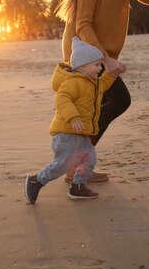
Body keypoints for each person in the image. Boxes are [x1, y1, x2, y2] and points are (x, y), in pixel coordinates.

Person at [57, 0, 149, 183]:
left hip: (101, 55)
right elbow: (83, 25)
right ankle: (75, 164)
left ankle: (76, 163)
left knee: (98, 107)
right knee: (120, 100)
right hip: (85, 53)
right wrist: (105, 58)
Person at [25, 37, 119, 203]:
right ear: (82, 66)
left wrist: (113, 73)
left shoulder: (93, 83)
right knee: (63, 165)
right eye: (97, 65)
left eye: (100, 65)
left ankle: (78, 187)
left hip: (82, 134)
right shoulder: (73, 82)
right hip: (67, 134)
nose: (100, 68)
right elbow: (62, 99)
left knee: (89, 160)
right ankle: (36, 181)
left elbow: (104, 84)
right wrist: (73, 117)